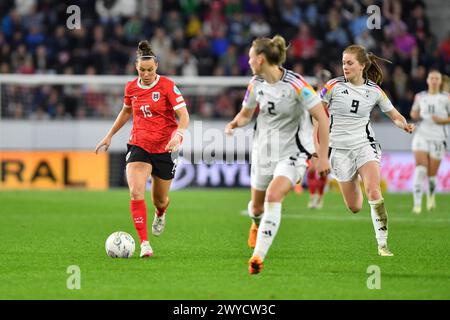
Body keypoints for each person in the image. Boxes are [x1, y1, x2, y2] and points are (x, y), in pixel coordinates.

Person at [225, 35, 330, 274]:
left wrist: (322, 157)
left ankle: (258, 257)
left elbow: (321, 117)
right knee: (257, 207)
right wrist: (233, 124)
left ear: (260, 59)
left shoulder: (297, 85)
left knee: (274, 195)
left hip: (293, 153)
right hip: (263, 152)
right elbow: (245, 114)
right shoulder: (255, 84)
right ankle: (255, 223)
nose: (248, 60)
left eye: (251, 56)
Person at [95, 40, 190, 258]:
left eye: (150, 70)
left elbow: (184, 116)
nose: (146, 74)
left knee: (160, 199)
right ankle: (144, 243)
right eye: (142, 70)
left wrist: (179, 135)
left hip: (166, 147)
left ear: (156, 66)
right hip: (139, 144)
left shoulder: (167, 85)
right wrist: (109, 135)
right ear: (136, 68)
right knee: (136, 190)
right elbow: (126, 112)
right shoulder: (131, 87)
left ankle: (160, 213)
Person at [321, 44, 415, 257]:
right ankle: (354, 184)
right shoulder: (332, 86)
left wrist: (404, 125)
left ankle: (382, 245)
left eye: (350, 63)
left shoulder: (374, 91)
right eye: (343, 62)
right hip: (340, 151)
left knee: (374, 190)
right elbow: (315, 112)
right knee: (354, 206)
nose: (345, 66)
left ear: (362, 65)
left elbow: (394, 115)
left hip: (365, 145)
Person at [410, 70, 449, 214]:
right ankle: (417, 204)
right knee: (420, 170)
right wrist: (415, 115)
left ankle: (431, 197)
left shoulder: (446, 98)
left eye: (436, 78)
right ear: (427, 80)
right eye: (431, 78)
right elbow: (414, 112)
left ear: (440, 81)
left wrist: (442, 120)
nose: (433, 81)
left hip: (439, 138)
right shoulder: (420, 97)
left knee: (432, 175)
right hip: (421, 136)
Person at [306, 69, 333, 209]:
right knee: (311, 168)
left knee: (322, 168)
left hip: (326, 136)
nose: (322, 83)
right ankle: (312, 197)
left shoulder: (331, 97)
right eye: (321, 80)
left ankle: (320, 197)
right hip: (312, 134)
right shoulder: (313, 96)